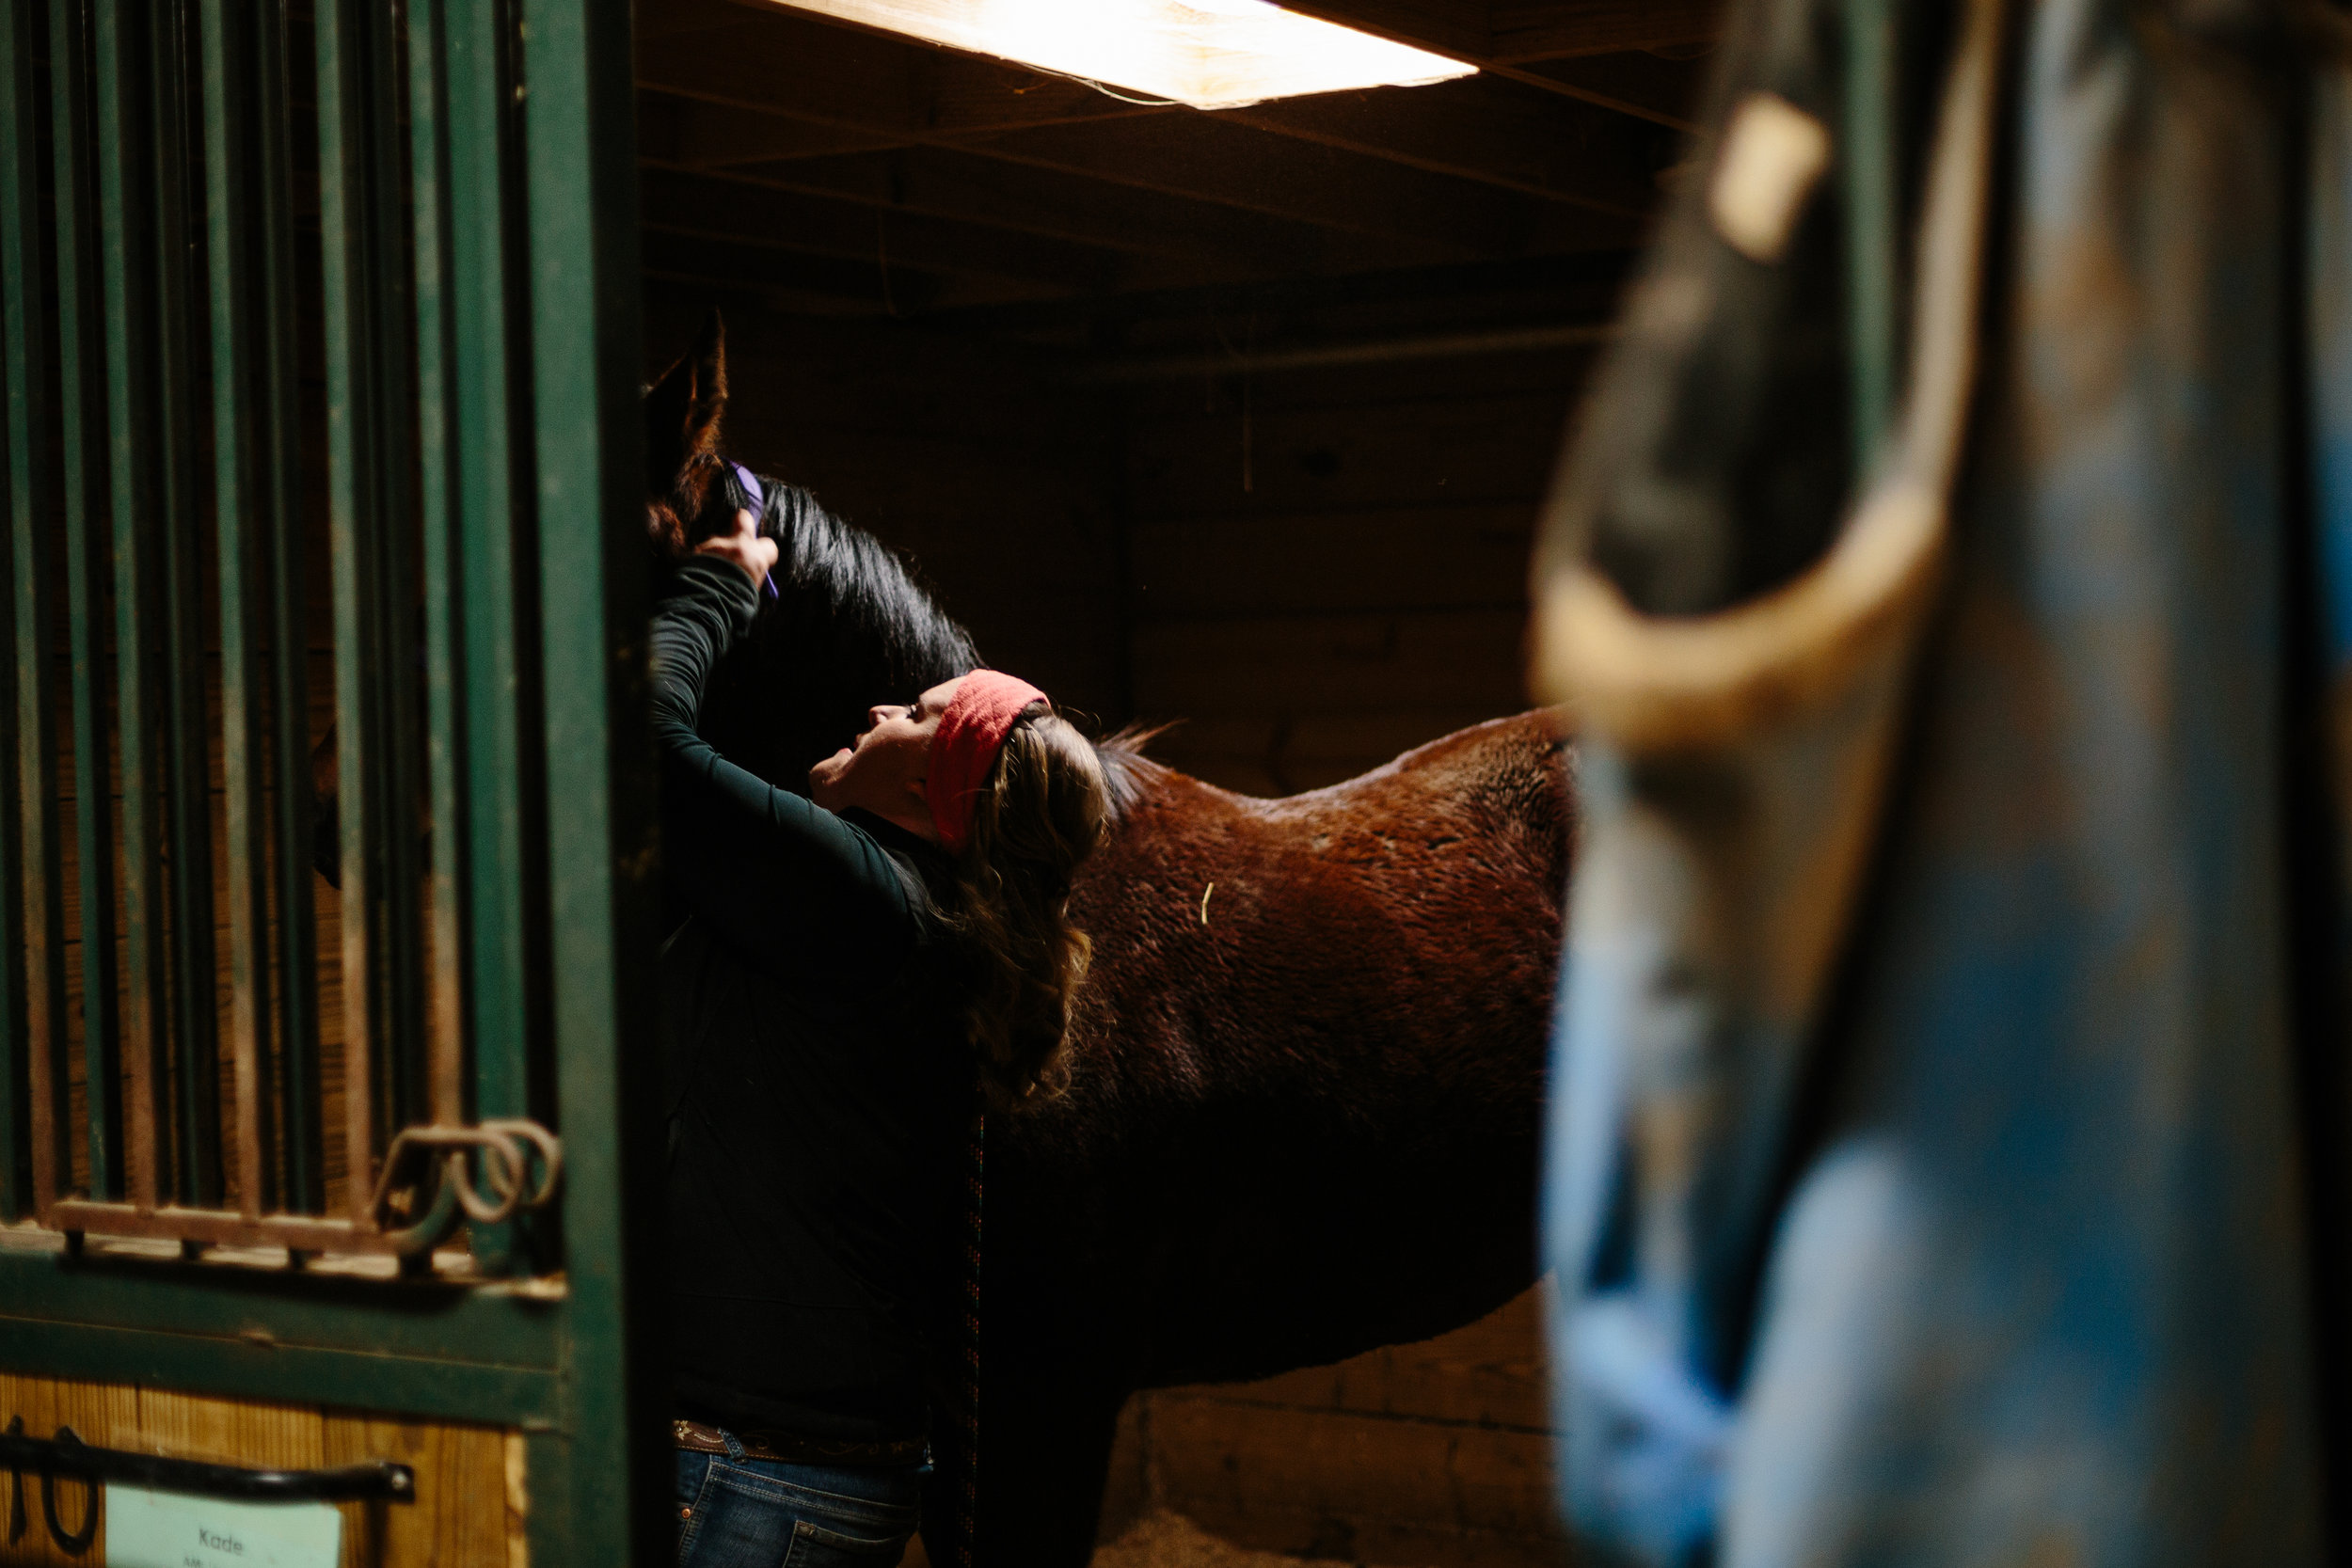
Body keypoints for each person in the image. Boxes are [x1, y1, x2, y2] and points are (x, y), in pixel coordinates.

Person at [653, 507, 1110, 1566]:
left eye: (914, 708)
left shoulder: (863, 899)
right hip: (802, 1472)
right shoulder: (925, 926)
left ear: (935, 783)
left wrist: (716, 588)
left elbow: (643, 751)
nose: (875, 705)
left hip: (744, 1477)